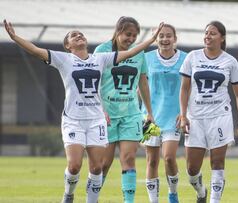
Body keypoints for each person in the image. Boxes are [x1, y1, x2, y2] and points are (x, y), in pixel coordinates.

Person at [3, 19, 163, 203]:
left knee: (96, 168)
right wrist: (15, 37)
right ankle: (68, 194)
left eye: (81, 34)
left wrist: (151, 40)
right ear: (67, 46)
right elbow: (35, 50)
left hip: (96, 120)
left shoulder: (100, 59)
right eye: (73, 35)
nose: (79, 36)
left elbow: (132, 52)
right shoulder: (64, 59)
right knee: (75, 165)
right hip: (74, 120)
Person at [178, 21, 238, 203]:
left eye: (213, 33)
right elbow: (184, 89)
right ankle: (201, 191)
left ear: (222, 38)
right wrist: (183, 115)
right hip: (195, 118)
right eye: (206, 33)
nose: (208, 36)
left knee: (217, 163)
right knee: (192, 169)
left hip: (220, 116)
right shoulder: (192, 57)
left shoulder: (230, 61)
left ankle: (214, 200)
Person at [93, 16, 155, 203]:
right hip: (107, 115)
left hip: (131, 114)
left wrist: (149, 112)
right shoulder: (101, 50)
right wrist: (100, 110)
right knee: (103, 163)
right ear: (118, 31)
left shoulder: (138, 53)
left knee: (128, 158)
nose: (131, 39)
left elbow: (143, 82)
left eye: (135, 36)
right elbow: (93, 84)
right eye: (128, 34)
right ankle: (92, 198)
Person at [143, 24, 187, 203]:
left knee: (169, 158)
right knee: (151, 161)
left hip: (174, 117)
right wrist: (143, 111)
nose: (165, 39)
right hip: (150, 117)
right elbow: (141, 85)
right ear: (155, 38)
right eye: (161, 36)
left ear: (175, 38)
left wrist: (185, 112)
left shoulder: (186, 58)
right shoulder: (146, 58)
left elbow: (189, 88)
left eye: (169, 36)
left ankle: (173, 193)